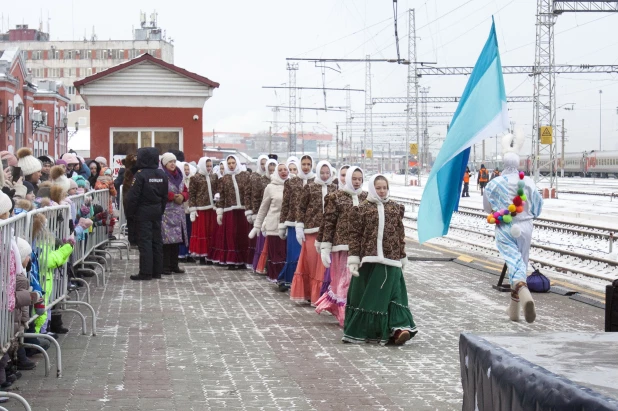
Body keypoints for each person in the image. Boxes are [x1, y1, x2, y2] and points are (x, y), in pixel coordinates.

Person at [344, 175, 418, 345]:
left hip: (392, 261)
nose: (382, 191)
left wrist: (402, 255)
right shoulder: (361, 209)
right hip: (370, 262)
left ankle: (400, 329)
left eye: (384, 187)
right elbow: (354, 236)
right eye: (378, 188)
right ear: (372, 188)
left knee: (396, 296)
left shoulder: (394, 208)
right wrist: (354, 259)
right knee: (372, 298)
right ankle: (371, 331)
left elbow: (400, 234)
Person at [483, 130, 543, 323]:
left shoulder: (494, 184)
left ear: (503, 163)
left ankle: (524, 294)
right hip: (526, 226)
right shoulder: (528, 183)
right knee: (520, 264)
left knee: (513, 263)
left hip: (505, 227)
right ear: (518, 163)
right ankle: (514, 310)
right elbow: (538, 206)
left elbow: (487, 208)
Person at [316, 165, 367, 326]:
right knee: (344, 281)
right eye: (354, 178)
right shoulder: (335, 197)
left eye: (360, 179)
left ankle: (356, 311)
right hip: (342, 246)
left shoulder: (367, 197)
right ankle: (345, 315)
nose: (357, 182)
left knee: (357, 281)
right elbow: (328, 222)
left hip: (361, 249)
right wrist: (325, 246)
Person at [291, 160, 337, 304]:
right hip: (312, 230)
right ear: (317, 172)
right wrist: (299, 226)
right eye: (322, 172)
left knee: (324, 265)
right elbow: (301, 208)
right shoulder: (310, 187)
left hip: (329, 232)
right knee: (311, 262)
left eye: (327, 173)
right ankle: (309, 293)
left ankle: (322, 295)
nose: (324, 175)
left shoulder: (335, 187)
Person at [125, 147, 168, 281]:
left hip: (143, 212)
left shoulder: (140, 175)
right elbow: (165, 196)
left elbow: (133, 197)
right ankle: (157, 271)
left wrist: (130, 214)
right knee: (157, 241)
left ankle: (145, 272)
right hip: (157, 211)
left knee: (145, 242)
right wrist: (160, 210)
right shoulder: (162, 174)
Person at [250, 162, 289, 283]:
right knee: (276, 254)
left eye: (285, 169)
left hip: (288, 225)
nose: (283, 172)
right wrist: (257, 225)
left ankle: (286, 278)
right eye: (280, 170)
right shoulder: (270, 187)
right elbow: (263, 208)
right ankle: (277, 278)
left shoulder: (292, 186)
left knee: (286, 254)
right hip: (274, 226)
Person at [213, 155, 252, 269]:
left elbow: (249, 193)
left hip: (243, 210)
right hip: (230, 211)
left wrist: (250, 208)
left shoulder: (245, 176)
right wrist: (219, 212)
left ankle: (243, 260)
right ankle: (231, 260)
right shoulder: (224, 179)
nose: (231, 165)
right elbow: (221, 196)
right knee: (231, 235)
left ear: (237, 163)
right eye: (229, 163)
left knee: (243, 234)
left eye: (233, 163)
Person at [159, 153, 189, 275]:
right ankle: (165, 266)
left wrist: (183, 196)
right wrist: (172, 196)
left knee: (176, 240)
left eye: (174, 161)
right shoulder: (161, 176)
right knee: (167, 241)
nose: (173, 164)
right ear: (165, 164)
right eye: (170, 162)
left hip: (178, 213)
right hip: (166, 212)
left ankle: (174, 265)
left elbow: (186, 190)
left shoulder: (179, 176)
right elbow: (159, 191)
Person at [276, 157, 301, 291]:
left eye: (294, 169)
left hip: (308, 225)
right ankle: (285, 278)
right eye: (289, 169)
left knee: (303, 256)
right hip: (292, 223)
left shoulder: (312, 182)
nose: (291, 171)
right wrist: (282, 225)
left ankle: (300, 283)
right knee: (293, 255)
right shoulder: (290, 183)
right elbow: (285, 205)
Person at [189, 157, 217, 264]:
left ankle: (210, 255)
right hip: (200, 209)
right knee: (202, 232)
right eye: (207, 166)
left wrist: (217, 202)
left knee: (211, 231)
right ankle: (201, 256)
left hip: (212, 209)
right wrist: (192, 209)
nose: (209, 168)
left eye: (210, 166)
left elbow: (217, 191)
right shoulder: (195, 178)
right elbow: (192, 194)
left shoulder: (214, 176)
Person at [246, 155, 270, 274]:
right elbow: (252, 195)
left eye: (267, 163)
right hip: (260, 211)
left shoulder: (274, 178)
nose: (264, 166)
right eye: (262, 163)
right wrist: (251, 211)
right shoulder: (255, 177)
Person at [179, 162, 196, 263]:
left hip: (190, 210)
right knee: (182, 233)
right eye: (184, 169)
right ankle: (181, 253)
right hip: (182, 210)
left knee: (190, 232)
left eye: (187, 169)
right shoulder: (179, 180)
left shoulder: (192, 179)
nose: (186, 171)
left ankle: (189, 253)